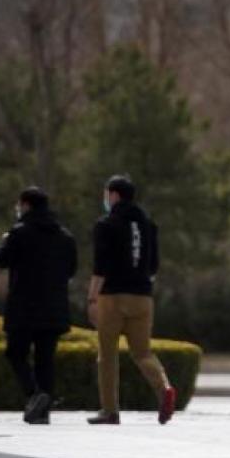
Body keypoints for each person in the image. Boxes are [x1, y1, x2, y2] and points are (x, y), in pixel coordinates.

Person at [87, 175, 176, 425]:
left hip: (112, 297)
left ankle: (109, 410)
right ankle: (164, 388)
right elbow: (154, 265)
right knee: (142, 352)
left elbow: (100, 265)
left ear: (114, 195)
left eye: (106, 194)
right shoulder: (148, 224)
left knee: (107, 355)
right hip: (143, 297)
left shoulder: (106, 224)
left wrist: (92, 298)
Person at [0, 187, 78, 424]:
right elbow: (71, 270)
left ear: (25, 205)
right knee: (46, 359)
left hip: (23, 307)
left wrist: (4, 242)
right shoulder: (65, 236)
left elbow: (1, 260)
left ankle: (35, 394)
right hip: (54, 308)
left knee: (15, 353)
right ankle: (43, 411)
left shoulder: (19, 232)